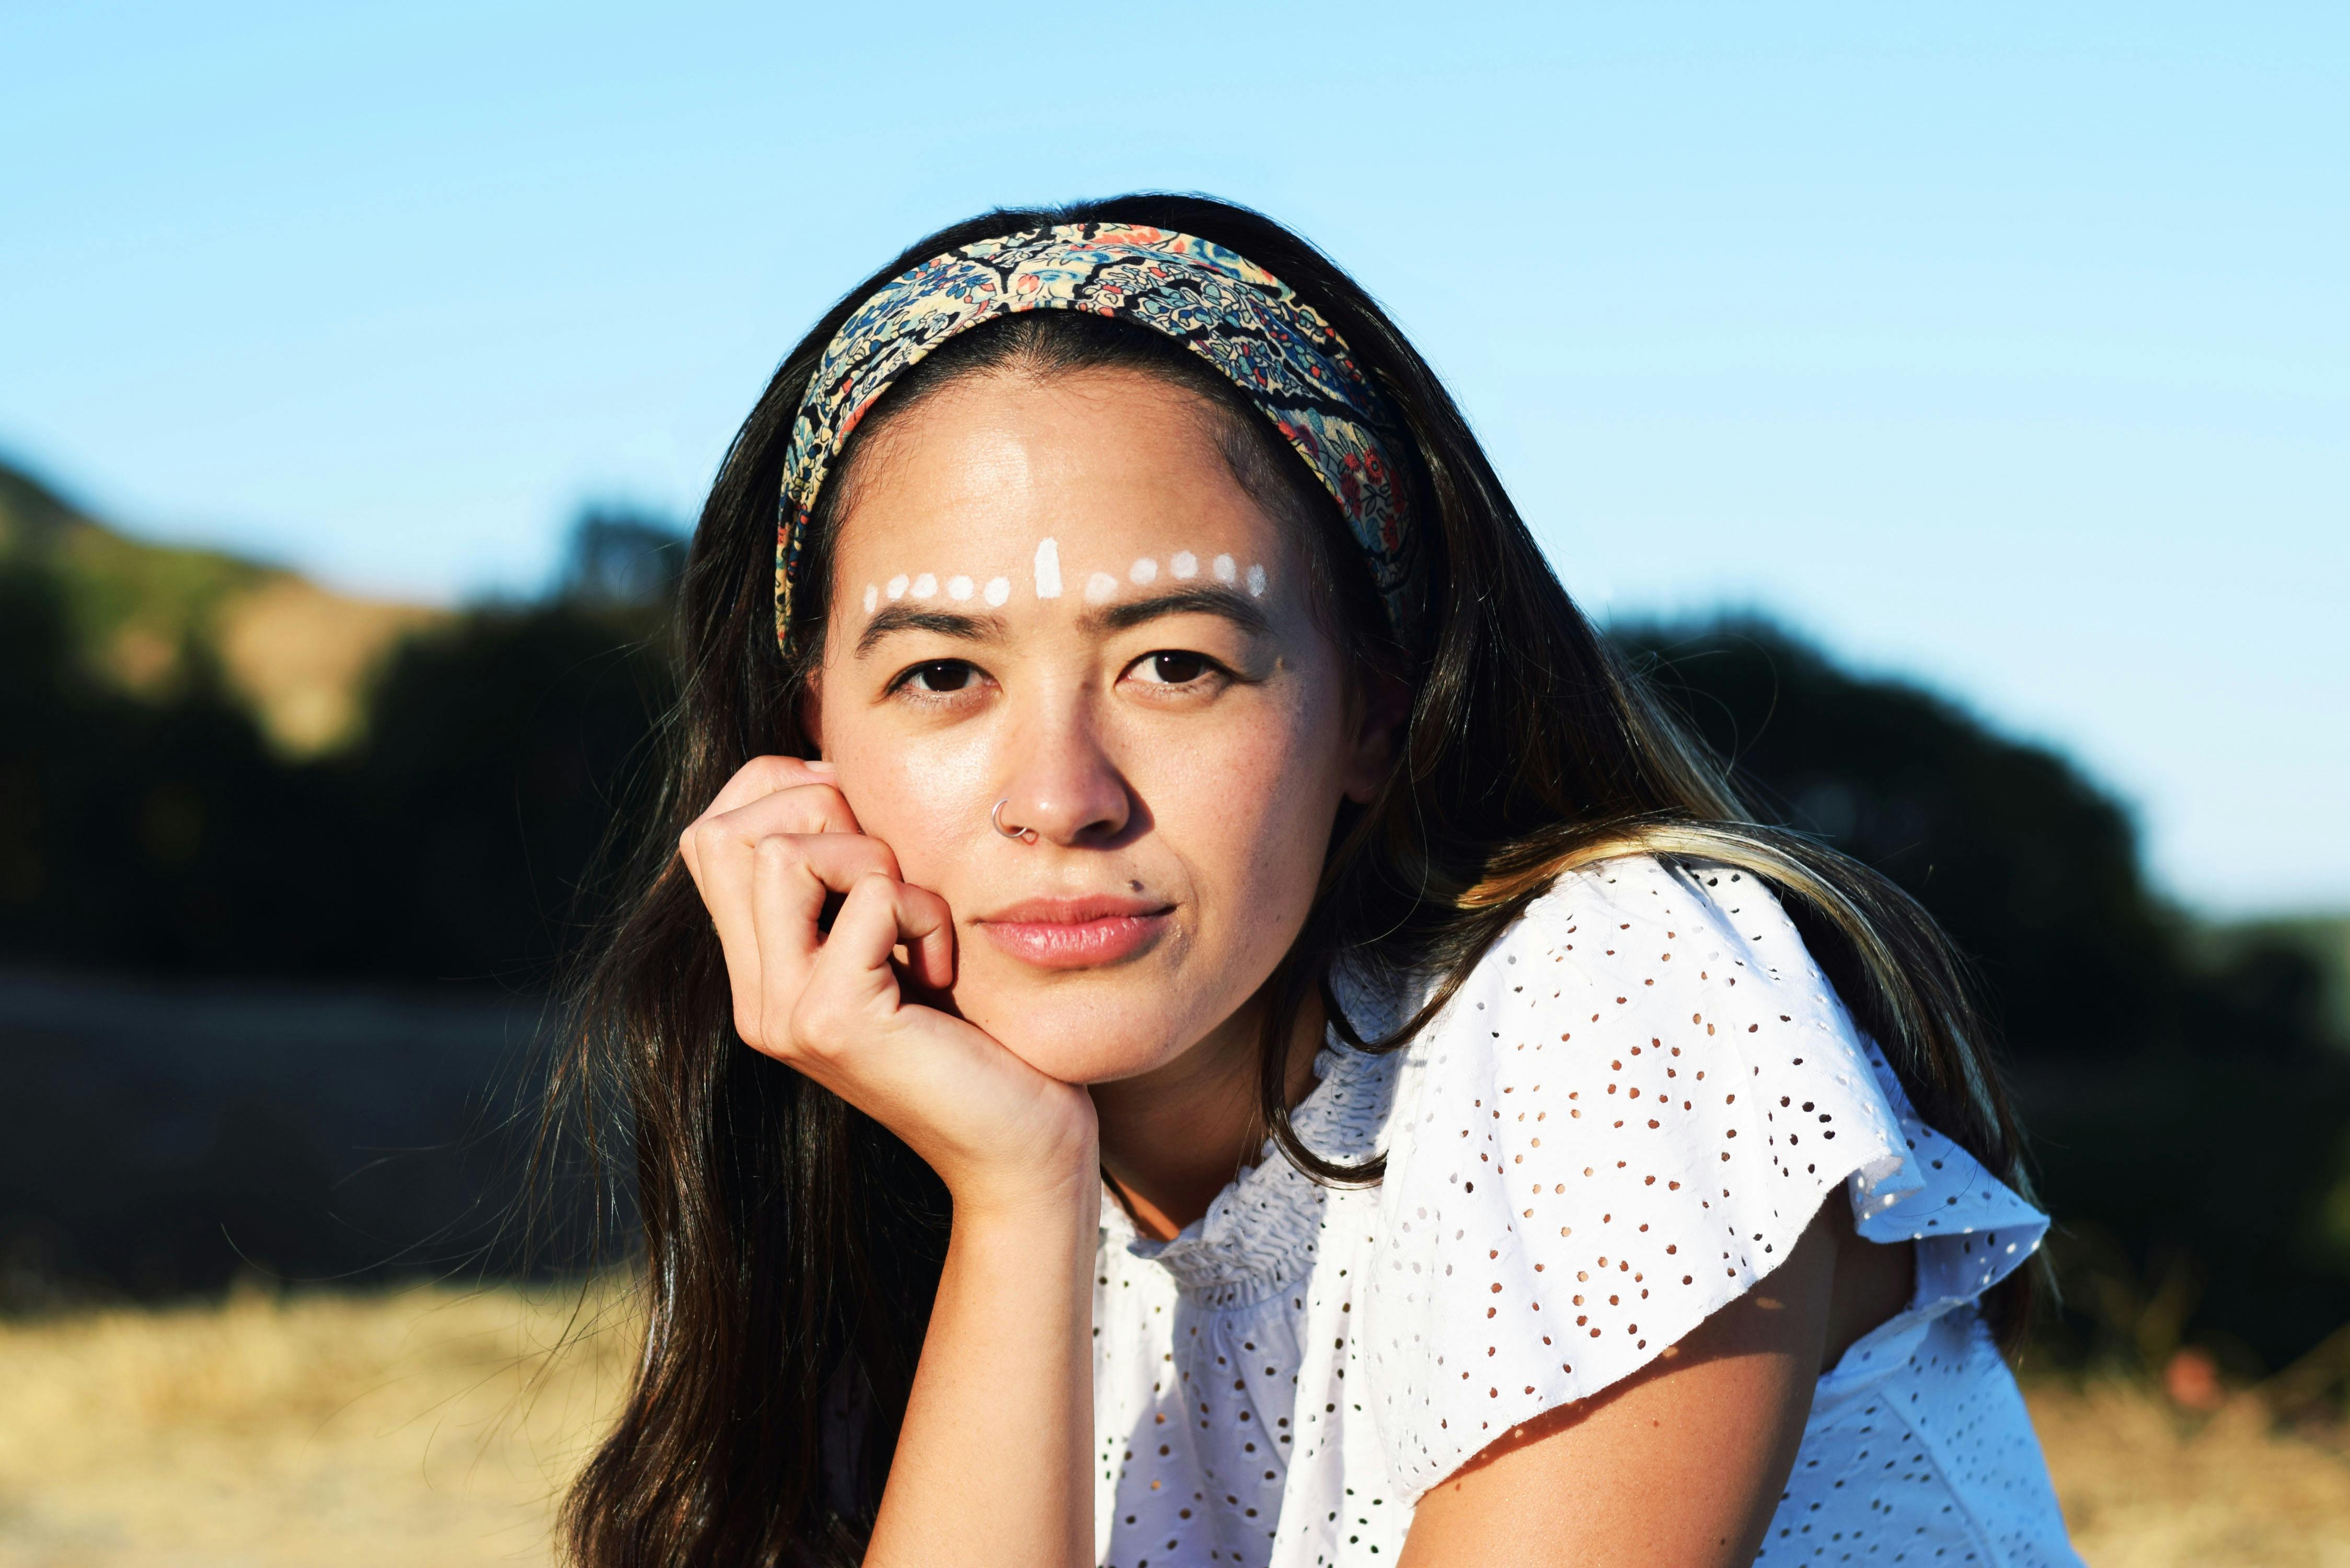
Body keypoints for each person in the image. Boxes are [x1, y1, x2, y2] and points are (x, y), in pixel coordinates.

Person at [557, 195, 2082, 1567]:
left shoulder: (1607, 1001)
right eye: (944, 673)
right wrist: (1017, 1192)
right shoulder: (890, 1195)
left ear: (1369, 709)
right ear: (807, 742)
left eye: (1177, 664)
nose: (1060, 801)